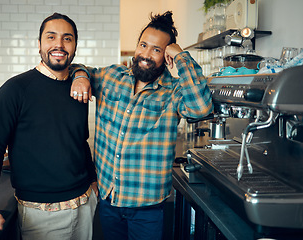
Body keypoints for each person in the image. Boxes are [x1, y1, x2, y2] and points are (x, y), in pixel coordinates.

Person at [0, 13, 98, 240]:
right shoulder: (14, 90)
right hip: (41, 216)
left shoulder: (79, 88)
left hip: (86, 205)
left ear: (75, 47)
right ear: (39, 44)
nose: (59, 44)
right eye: (51, 37)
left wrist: (93, 184)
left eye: (67, 38)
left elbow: (80, 142)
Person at [73, 11, 213, 240]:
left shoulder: (174, 91)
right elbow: (78, 68)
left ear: (166, 56)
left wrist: (181, 57)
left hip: (146, 209)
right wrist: (81, 76)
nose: (146, 54)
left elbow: (201, 108)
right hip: (109, 200)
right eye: (143, 45)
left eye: (157, 50)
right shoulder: (112, 77)